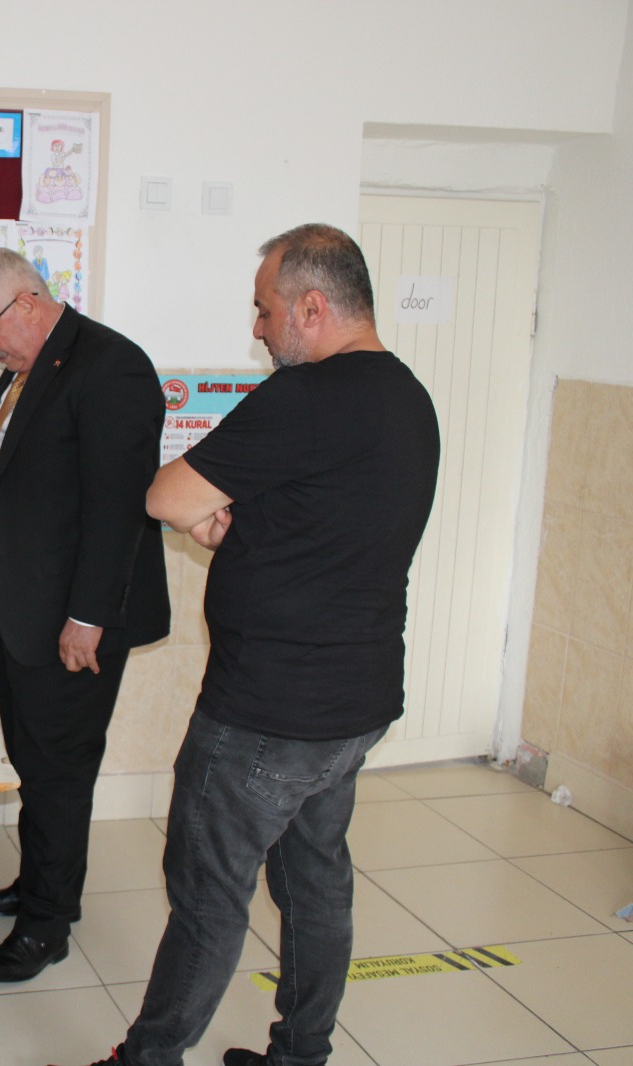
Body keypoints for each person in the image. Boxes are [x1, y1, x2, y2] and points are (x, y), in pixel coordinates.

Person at [61, 224, 440, 1066]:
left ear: (313, 307)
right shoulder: (409, 398)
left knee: (207, 894)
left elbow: (165, 496)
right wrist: (239, 523)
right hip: (355, 705)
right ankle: (301, 1052)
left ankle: (147, 1058)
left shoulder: (304, 398)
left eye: (266, 310)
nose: (259, 329)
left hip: (267, 712)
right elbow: (328, 525)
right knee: (315, 882)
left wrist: (209, 513)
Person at [0, 247, 171, 982]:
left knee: (60, 770)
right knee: (33, 760)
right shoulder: (27, 367)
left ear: (27, 302)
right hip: (21, 605)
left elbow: (118, 508)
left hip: (73, 620)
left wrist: (88, 617)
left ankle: (48, 923)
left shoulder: (110, 367)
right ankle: (36, 882)